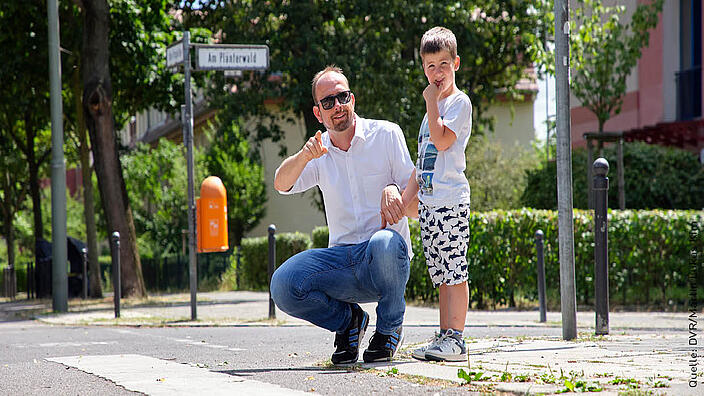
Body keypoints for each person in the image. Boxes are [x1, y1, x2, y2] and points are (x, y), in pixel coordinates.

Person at [270, 65, 416, 365]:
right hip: (342, 263)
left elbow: (417, 207)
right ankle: (349, 322)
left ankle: (388, 329)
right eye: (328, 102)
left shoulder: (387, 134)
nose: (337, 106)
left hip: (385, 260)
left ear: (353, 100)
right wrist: (304, 155)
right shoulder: (319, 152)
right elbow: (281, 184)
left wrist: (394, 192)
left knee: (384, 242)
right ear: (318, 113)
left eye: (342, 97)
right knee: (283, 284)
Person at [400, 26, 472, 362]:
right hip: (429, 206)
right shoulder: (429, 114)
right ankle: (444, 337)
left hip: (451, 202)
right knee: (441, 275)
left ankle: (456, 339)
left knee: (455, 271)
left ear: (456, 63)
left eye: (443, 64)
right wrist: (403, 202)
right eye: (430, 66)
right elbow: (421, 164)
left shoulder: (458, 103)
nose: (437, 72)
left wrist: (432, 104)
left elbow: (443, 141)